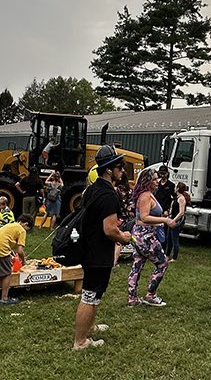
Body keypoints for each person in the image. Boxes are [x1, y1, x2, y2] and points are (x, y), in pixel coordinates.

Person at [73, 145, 132, 350]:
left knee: (95, 294)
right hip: (97, 253)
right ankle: (80, 341)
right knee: (89, 296)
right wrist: (124, 237)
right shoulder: (108, 195)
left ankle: (90, 327)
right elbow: (109, 229)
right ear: (109, 169)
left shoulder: (92, 189)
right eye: (120, 166)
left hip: (91, 249)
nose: (122, 170)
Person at [127, 168, 176, 307]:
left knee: (137, 265)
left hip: (140, 234)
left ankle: (132, 299)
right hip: (145, 235)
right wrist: (164, 220)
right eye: (154, 179)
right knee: (162, 263)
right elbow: (144, 217)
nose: (157, 181)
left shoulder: (148, 194)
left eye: (157, 178)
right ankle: (150, 295)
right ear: (147, 181)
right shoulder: (145, 196)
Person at [164, 181, 190, 261]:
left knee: (174, 239)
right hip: (171, 219)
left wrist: (174, 221)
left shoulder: (181, 199)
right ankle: (167, 255)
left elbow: (181, 212)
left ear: (178, 188)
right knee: (169, 239)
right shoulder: (176, 197)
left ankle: (174, 257)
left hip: (176, 221)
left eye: (175, 187)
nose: (174, 188)